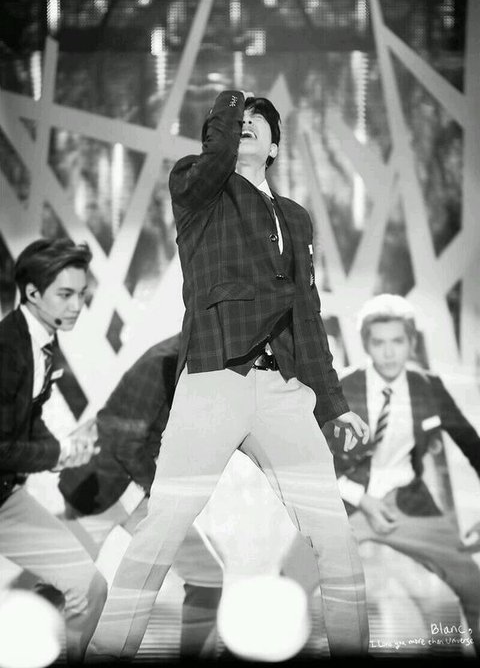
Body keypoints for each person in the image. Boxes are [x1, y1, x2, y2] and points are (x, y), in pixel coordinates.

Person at [86, 89, 371, 661]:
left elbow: (308, 316)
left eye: (256, 122)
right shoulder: (199, 190)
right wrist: (231, 99)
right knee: (161, 530)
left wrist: (334, 404)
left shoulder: (295, 218)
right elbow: (212, 157)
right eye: (236, 121)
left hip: (282, 389)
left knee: (334, 534)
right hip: (214, 380)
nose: (244, 125)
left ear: (274, 147)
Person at [282, 293, 480, 654]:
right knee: (288, 583)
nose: (389, 352)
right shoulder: (341, 387)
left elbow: (472, 444)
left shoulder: (428, 388)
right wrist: (362, 499)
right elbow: (311, 458)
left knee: (474, 585)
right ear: (367, 345)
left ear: (411, 343)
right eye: (379, 342)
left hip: (408, 502)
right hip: (346, 501)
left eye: (397, 341)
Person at [57, 332, 224, 659]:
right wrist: (163, 491)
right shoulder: (162, 362)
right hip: (100, 488)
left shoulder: (207, 366)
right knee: (65, 587)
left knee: (207, 576)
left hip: (139, 492)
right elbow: (125, 444)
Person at [0, 237, 107, 663]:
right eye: (65, 295)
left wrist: (65, 450)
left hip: (5, 497)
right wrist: (59, 453)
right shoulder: (5, 349)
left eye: (81, 294)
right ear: (32, 293)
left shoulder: (44, 340)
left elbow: (26, 420)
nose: (77, 305)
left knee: (89, 586)